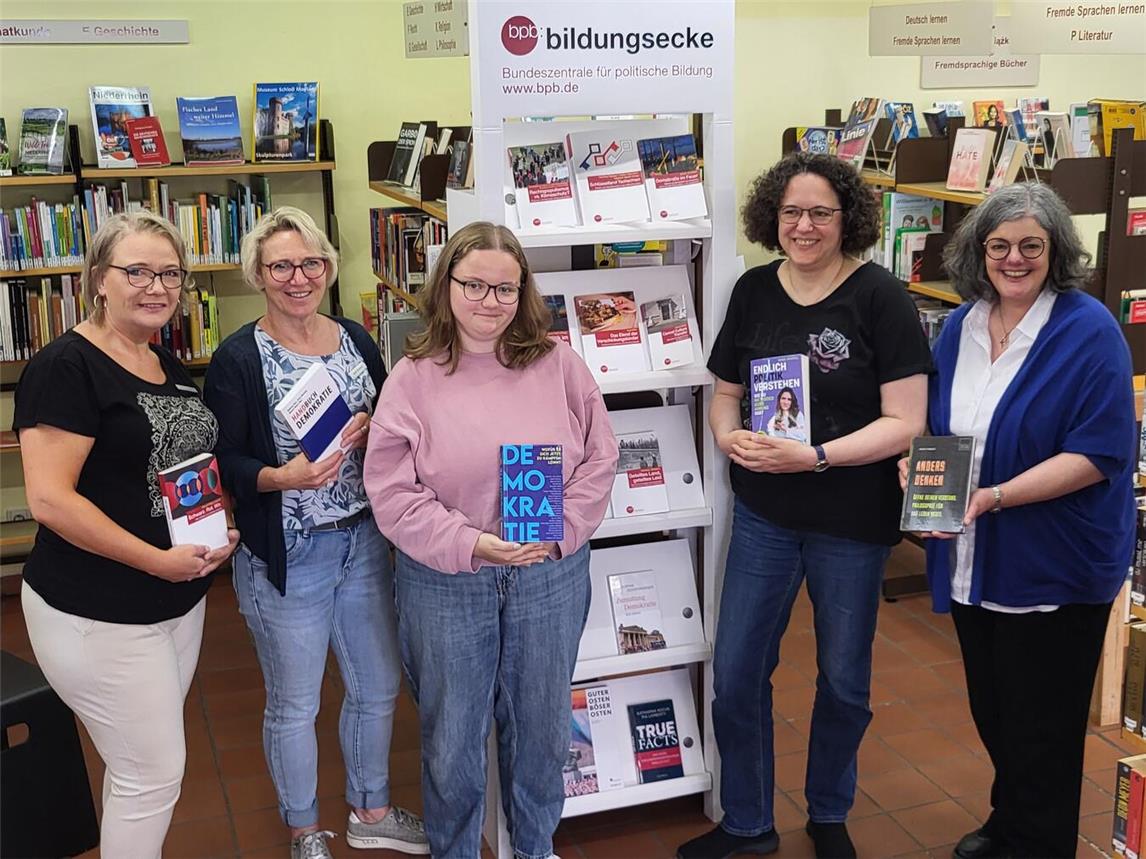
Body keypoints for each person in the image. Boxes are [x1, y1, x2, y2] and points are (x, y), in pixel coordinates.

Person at [678, 152, 931, 859]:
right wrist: (730, 439)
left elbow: (906, 419)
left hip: (851, 520)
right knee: (735, 674)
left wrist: (816, 455)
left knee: (844, 681)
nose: (805, 225)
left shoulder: (881, 297)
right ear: (773, 217)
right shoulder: (755, 290)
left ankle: (828, 809)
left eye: (821, 211)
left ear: (847, 217)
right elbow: (725, 391)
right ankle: (749, 820)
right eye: (792, 211)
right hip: (764, 513)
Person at [363, 221, 618, 859]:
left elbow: (600, 458)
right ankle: (455, 851)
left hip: (546, 572)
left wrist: (556, 534)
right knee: (452, 736)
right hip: (449, 578)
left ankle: (535, 848)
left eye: (505, 289)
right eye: (473, 284)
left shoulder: (559, 363)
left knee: (541, 727)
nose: (489, 301)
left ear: (524, 292)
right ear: (446, 284)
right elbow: (392, 492)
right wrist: (470, 542)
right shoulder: (413, 377)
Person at [903, 182, 1136, 859]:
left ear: (1055, 250)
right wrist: (919, 480)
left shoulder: (1088, 329)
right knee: (997, 712)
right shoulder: (962, 325)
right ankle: (1010, 821)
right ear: (979, 252)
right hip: (976, 557)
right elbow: (943, 430)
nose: (1013, 258)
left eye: (1030, 245)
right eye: (999, 245)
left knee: (1044, 729)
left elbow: (1099, 453)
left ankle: (1038, 841)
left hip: (1054, 563)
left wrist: (994, 496)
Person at [13, 212, 240, 858]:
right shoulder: (66, 368)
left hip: (174, 599)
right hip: (98, 610)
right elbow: (51, 500)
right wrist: (155, 559)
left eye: (170, 273)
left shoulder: (158, 357)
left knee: (136, 763)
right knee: (152, 773)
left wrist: (215, 515)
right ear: (97, 280)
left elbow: (178, 461)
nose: (155, 285)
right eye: (136, 270)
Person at [203, 207, 427, 859]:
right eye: (281, 266)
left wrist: (374, 427)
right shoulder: (238, 357)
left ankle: (372, 808)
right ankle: (305, 830)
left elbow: (392, 418)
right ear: (258, 275)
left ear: (328, 266)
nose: (298, 277)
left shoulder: (355, 337)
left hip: (363, 541)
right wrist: (282, 476)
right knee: (294, 702)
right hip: (290, 552)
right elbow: (225, 461)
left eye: (310, 263)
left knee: (378, 684)